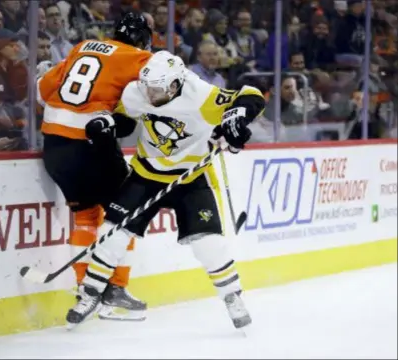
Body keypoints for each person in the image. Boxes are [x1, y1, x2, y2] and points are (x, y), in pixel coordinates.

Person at [67, 51, 265, 329]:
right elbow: (126, 119)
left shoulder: (201, 96)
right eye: (146, 87)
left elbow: (252, 94)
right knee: (112, 232)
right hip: (146, 173)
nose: (149, 94)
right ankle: (89, 293)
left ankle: (232, 296)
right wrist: (108, 125)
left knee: (209, 245)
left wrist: (236, 119)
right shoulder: (138, 91)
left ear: (175, 85)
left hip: (191, 178)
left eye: (157, 89)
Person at [36, 12, 153, 322]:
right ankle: (114, 289)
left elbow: (43, 90)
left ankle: (85, 292)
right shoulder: (139, 57)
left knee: (85, 216)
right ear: (142, 38)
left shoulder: (83, 46)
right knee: (127, 213)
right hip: (88, 145)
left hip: (54, 145)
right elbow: (161, 90)